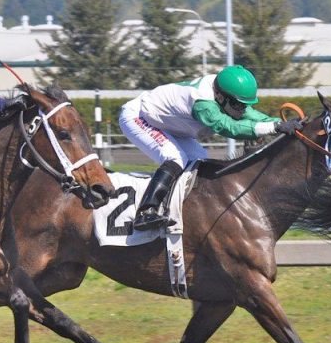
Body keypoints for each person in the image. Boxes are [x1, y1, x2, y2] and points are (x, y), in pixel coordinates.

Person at [119, 64, 302, 231]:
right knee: (175, 158)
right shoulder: (204, 105)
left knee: (200, 160)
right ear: (221, 97)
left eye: (243, 104)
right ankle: (146, 212)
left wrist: (279, 123)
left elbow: (250, 114)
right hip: (139, 118)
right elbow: (230, 127)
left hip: (167, 124)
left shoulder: (224, 90)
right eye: (238, 104)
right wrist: (273, 127)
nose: (241, 109)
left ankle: (186, 211)